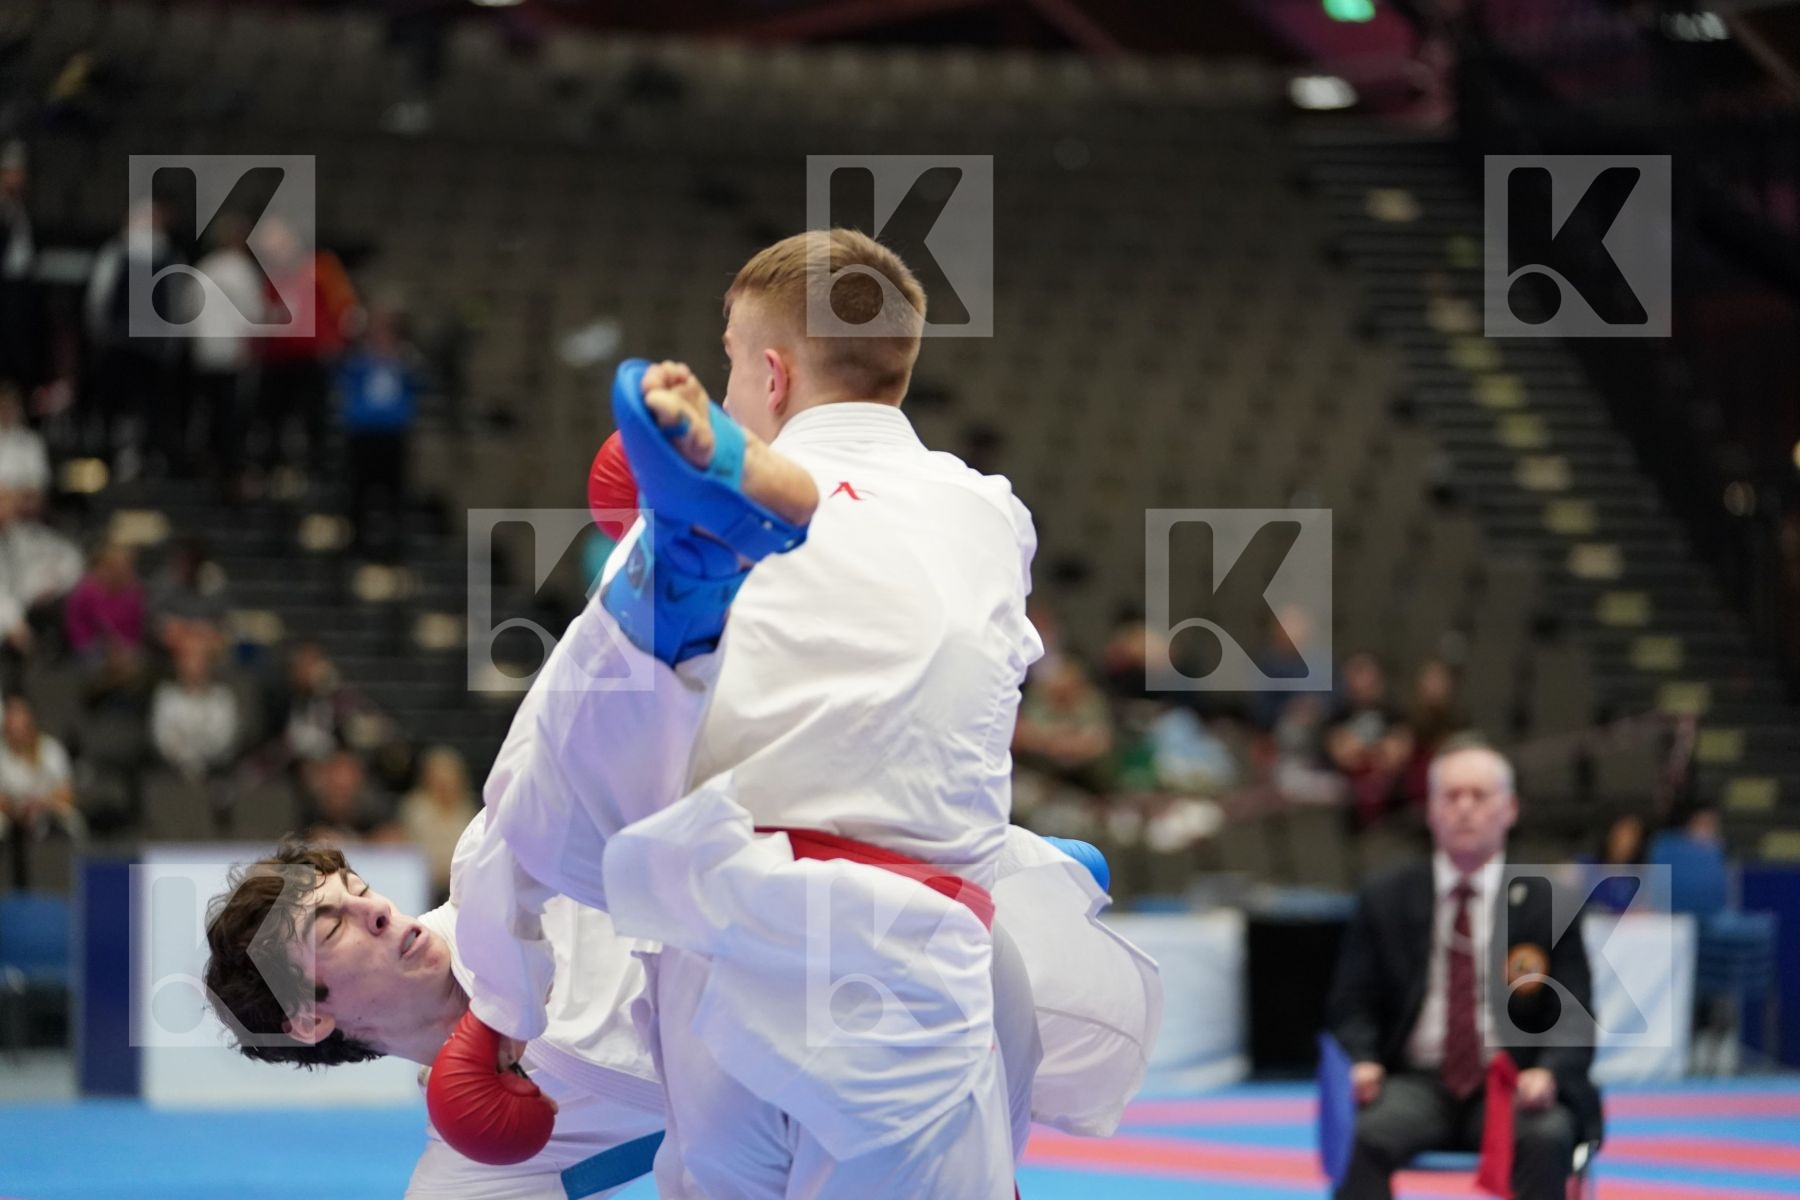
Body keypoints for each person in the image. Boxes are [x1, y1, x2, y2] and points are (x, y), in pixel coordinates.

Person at [452, 229, 1070, 1198]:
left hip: (717, 950)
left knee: (587, 743)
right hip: (907, 949)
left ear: (772, 376)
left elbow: (533, 779)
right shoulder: (992, 514)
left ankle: (669, 610)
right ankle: (675, 614)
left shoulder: (677, 516)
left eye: (733, 363)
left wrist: (506, 994)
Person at [1325, 741, 1603, 1200]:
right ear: (1430, 810)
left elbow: (1575, 1016)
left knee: (1545, 1136)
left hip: (1513, 1083)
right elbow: (1350, 1003)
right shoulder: (1385, 896)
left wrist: (1550, 1073)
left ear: (1510, 809)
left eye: (1479, 795)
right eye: (1451, 796)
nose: (1465, 808)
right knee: (1360, 1136)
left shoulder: (1549, 902)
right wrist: (1362, 1059)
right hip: (1414, 1082)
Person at [251, 214, 357, 484]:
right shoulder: (273, 274)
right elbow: (267, 311)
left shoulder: (320, 267)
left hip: (311, 355)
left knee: (314, 416)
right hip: (278, 356)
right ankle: (271, 469)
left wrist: (338, 341)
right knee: (272, 416)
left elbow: (342, 305)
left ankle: (316, 470)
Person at [189, 212, 266, 496]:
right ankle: (229, 473)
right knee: (232, 418)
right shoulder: (243, 271)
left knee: (206, 414)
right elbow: (255, 313)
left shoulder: (205, 267)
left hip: (204, 354)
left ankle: (206, 467)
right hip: (232, 356)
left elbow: (189, 311)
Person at [336, 303, 419, 560]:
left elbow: (416, 385)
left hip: (392, 434)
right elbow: (344, 380)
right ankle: (355, 540)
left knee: (394, 491)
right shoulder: (359, 360)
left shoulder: (405, 360)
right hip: (363, 434)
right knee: (358, 489)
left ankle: (396, 543)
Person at [150, 638, 241, 783]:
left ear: (210, 663)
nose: (193, 664)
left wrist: (196, 759)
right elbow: (164, 739)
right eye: (187, 657)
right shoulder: (166, 696)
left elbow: (223, 740)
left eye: (200, 658)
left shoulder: (223, 698)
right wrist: (187, 759)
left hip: (217, 776)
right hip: (172, 776)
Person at [401, 745, 478, 905]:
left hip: (461, 883)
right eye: (438, 776)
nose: (444, 782)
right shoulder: (415, 809)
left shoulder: (467, 810)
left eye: (449, 775)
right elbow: (408, 850)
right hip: (425, 883)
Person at [0, 695, 83, 840]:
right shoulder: (2, 755)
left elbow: (67, 794)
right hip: (13, 813)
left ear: (31, 722)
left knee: (69, 817)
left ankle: (66, 852)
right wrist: (17, 810)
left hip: (48, 807)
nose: (18, 729)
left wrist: (42, 804)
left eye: (22, 723)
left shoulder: (51, 749)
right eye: (12, 723)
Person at [63, 541, 146, 662]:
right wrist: (108, 648)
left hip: (128, 647)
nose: (122, 572)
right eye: (116, 568)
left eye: (126, 567)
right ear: (105, 567)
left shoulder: (134, 591)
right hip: (92, 648)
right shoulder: (86, 591)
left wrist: (127, 648)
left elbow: (137, 626)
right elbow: (76, 629)